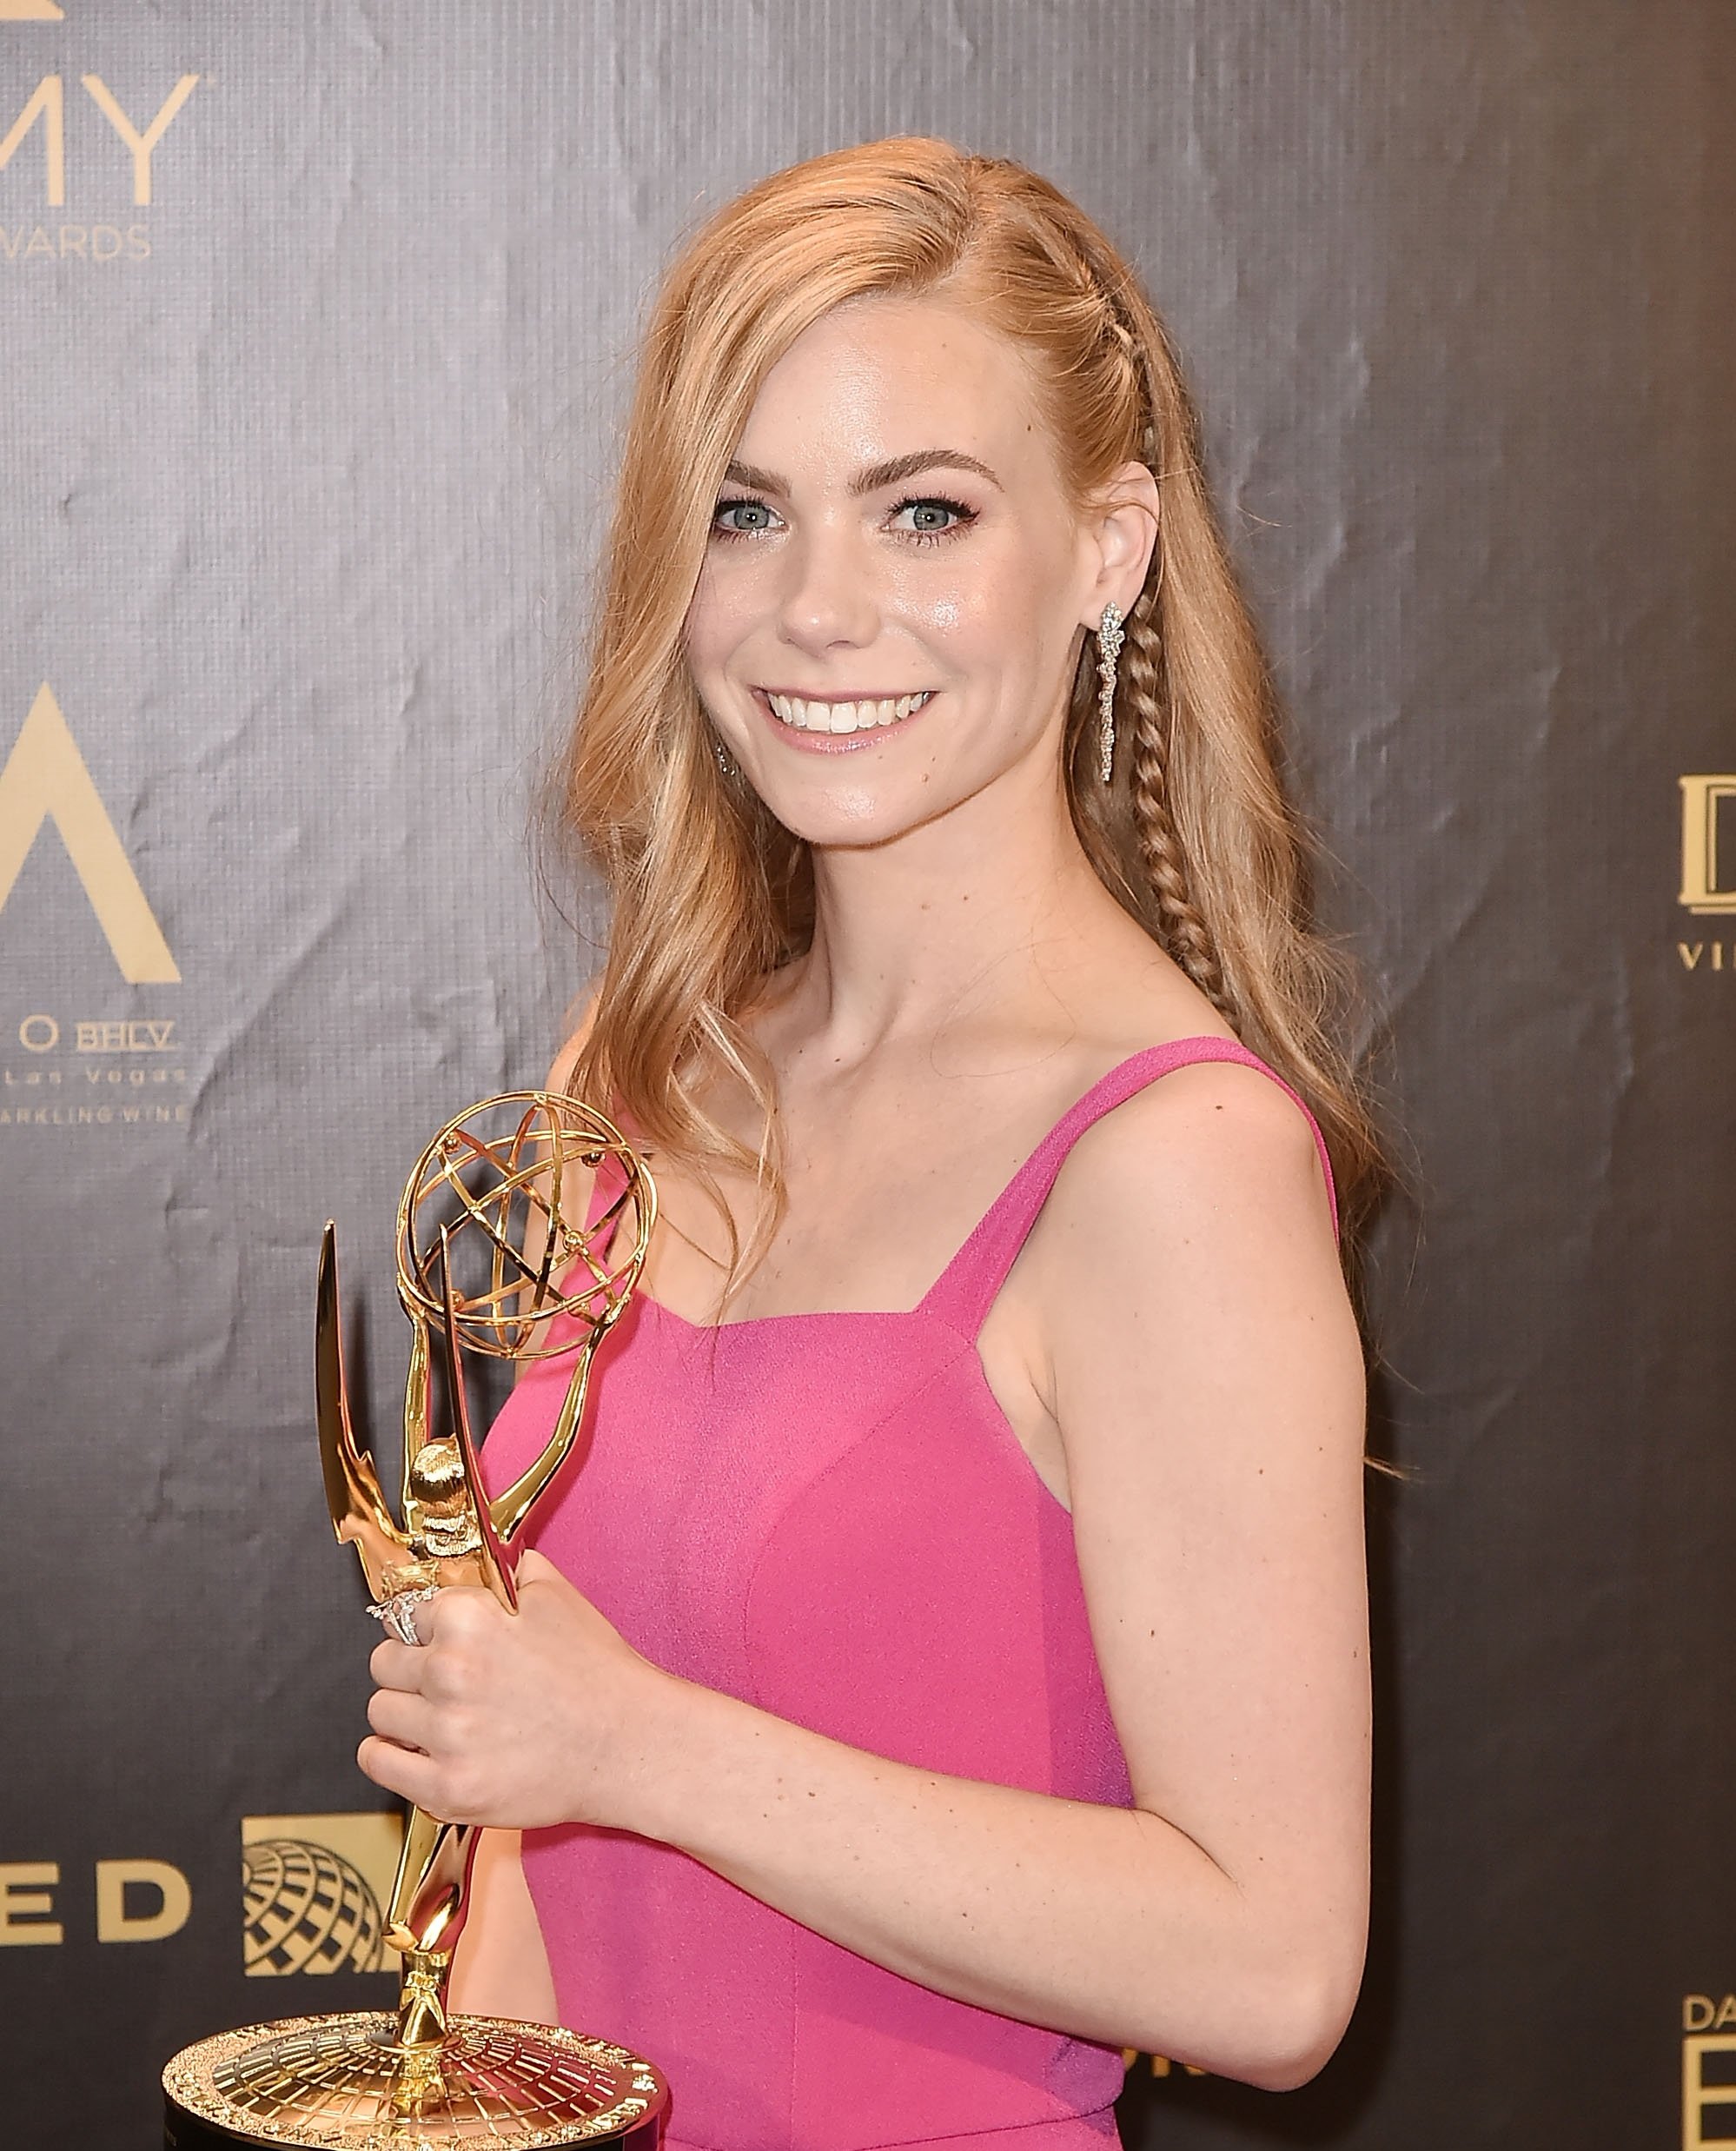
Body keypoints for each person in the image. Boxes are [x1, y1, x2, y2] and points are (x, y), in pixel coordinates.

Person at [359, 137, 1378, 2151]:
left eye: (925, 511)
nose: (820, 610)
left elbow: (1271, 1968)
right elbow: (514, 1827)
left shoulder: (1173, 1162)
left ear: (1106, 550)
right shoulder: (636, 1069)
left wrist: (638, 1744)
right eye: (747, 512)